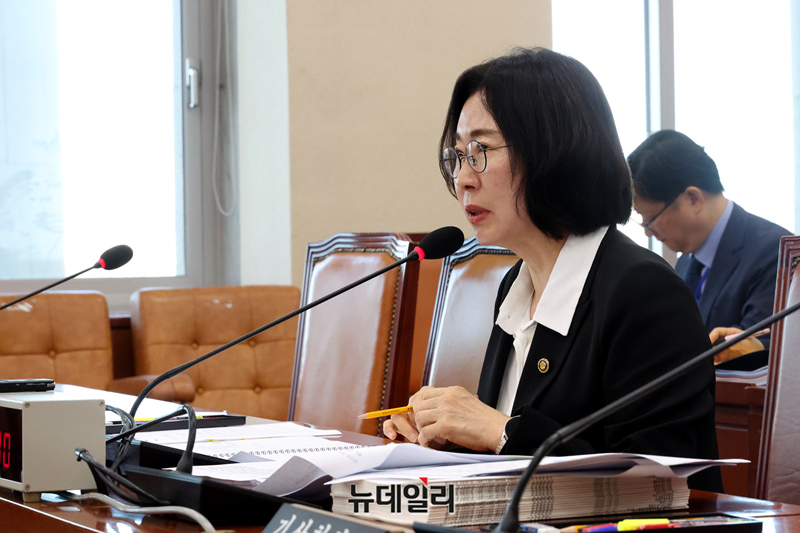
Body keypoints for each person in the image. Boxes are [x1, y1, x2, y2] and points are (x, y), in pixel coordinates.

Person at [383, 48, 722, 492]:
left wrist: (498, 431)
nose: (464, 178)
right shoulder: (516, 285)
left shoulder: (643, 290)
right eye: (459, 155)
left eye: (481, 150)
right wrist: (447, 436)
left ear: (554, 151)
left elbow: (661, 480)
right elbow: (511, 451)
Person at [628, 130, 792, 363]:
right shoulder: (686, 262)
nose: (648, 232)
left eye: (650, 220)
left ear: (693, 199)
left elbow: (757, 352)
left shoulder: (775, 252)